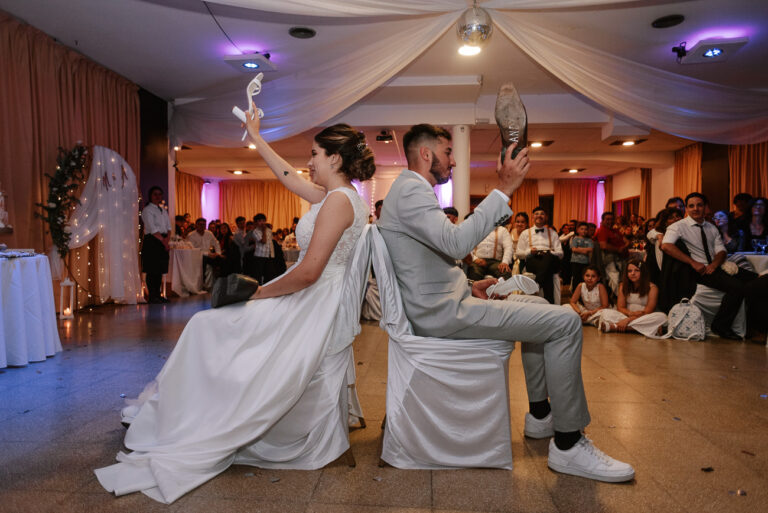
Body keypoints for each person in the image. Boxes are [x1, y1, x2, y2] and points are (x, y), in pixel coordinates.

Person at [95, 112, 375, 503]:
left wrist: (257, 294)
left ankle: (193, 413)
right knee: (210, 323)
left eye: (314, 154)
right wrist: (257, 138)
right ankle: (182, 406)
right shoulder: (339, 198)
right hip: (309, 296)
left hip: (311, 304)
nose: (307, 162)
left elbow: (310, 272)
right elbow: (288, 178)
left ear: (335, 159)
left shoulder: (339, 203)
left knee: (206, 326)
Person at [377, 123, 634, 483]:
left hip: (447, 303)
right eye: (448, 152)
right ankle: (568, 444)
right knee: (567, 322)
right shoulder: (410, 191)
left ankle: (541, 415)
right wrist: (503, 188)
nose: (452, 161)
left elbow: (425, 262)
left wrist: (469, 284)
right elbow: (454, 245)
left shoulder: (409, 191)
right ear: (426, 154)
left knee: (546, 309)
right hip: (444, 315)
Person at [661, 193, 761, 340]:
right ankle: (721, 326)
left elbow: (721, 250)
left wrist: (714, 264)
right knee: (737, 287)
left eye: (699, 205)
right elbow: (666, 246)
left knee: (756, 279)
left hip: (714, 267)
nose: (696, 209)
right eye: (691, 206)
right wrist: (692, 262)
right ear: (686, 209)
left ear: (705, 207)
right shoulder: (679, 226)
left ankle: (756, 326)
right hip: (697, 270)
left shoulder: (711, 227)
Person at [598, 258, 667, 337]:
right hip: (625, 316)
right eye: (629, 271)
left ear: (643, 272)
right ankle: (650, 328)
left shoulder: (652, 288)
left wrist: (628, 320)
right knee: (605, 313)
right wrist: (630, 314)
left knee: (662, 317)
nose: (632, 273)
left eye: (636, 270)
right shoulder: (623, 286)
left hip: (643, 317)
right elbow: (620, 307)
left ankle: (615, 326)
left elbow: (648, 311)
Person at [515, 206, 563, 304]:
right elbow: (518, 253)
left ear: (546, 217)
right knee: (548, 272)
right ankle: (550, 303)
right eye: (537, 214)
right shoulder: (525, 233)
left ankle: (537, 283)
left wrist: (549, 252)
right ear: (533, 217)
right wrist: (529, 252)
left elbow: (561, 253)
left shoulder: (553, 233)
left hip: (550, 259)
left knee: (548, 258)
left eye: (542, 214)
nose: (539, 216)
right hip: (533, 260)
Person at [141, 186, 171, 304]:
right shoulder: (147, 210)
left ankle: (158, 295)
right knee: (152, 269)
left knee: (160, 269)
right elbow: (152, 229)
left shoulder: (163, 210)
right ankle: (152, 296)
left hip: (163, 240)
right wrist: (163, 241)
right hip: (152, 241)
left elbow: (169, 227)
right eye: (155, 194)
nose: (158, 196)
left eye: (160, 194)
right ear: (150, 196)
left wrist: (167, 239)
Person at [595, 212, 629, 296]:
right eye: (607, 219)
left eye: (611, 219)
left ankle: (620, 297)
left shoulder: (615, 230)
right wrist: (618, 249)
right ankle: (620, 297)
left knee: (622, 278)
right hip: (610, 259)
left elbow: (626, 241)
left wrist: (624, 247)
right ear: (602, 220)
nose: (610, 221)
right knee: (615, 278)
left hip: (622, 257)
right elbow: (603, 245)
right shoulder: (602, 230)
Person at [570, 222, 594, 289]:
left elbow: (591, 249)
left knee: (583, 279)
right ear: (578, 230)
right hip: (575, 261)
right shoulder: (575, 239)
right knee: (576, 278)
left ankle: (582, 294)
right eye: (582, 229)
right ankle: (575, 293)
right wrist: (585, 250)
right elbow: (574, 249)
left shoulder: (589, 240)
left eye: (586, 229)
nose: (584, 231)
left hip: (585, 262)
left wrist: (579, 248)